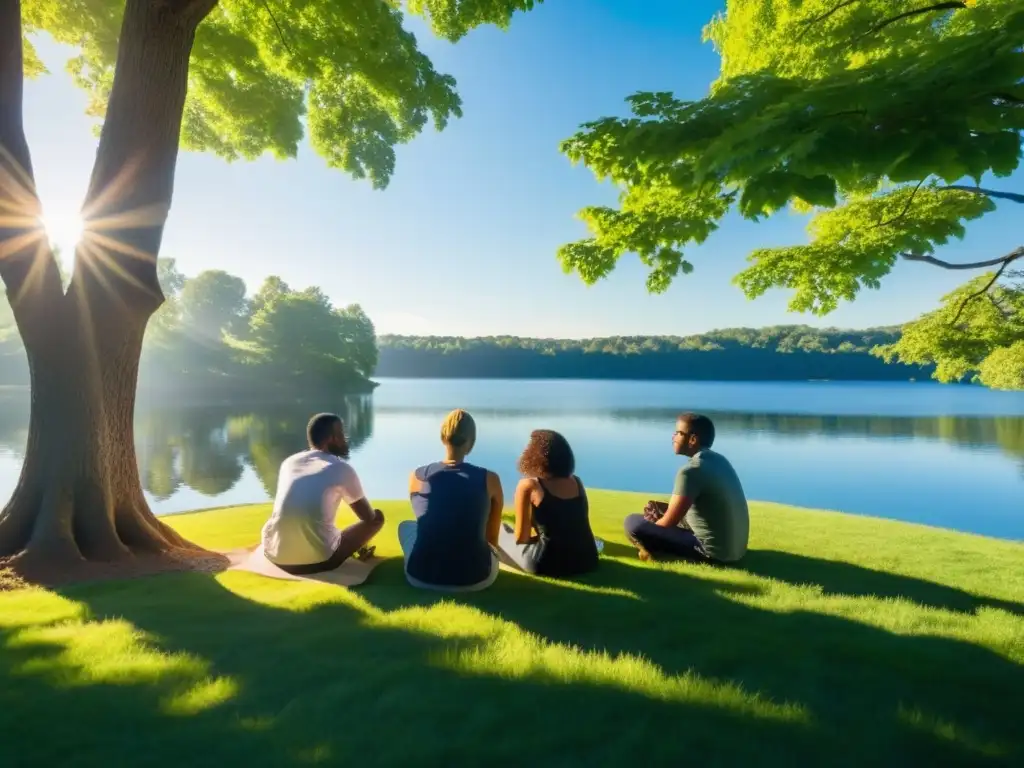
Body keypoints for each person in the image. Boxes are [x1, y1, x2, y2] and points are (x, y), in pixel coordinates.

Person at [260, 412, 384, 575]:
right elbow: (367, 517)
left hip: (275, 555)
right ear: (332, 438)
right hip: (319, 561)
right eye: (341, 434)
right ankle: (354, 548)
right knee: (377, 518)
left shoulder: (289, 462)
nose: (345, 439)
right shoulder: (341, 468)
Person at [399, 409, 504, 591]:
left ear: (442, 437)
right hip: (477, 579)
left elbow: (427, 520)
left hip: (420, 576)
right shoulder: (490, 479)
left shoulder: (416, 476)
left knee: (406, 526)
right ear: (471, 444)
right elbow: (492, 538)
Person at [624, 412, 749, 564]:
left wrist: (652, 527)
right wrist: (664, 511)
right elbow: (699, 510)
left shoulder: (690, 472)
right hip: (736, 551)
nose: (673, 437)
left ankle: (651, 552)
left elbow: (666, 524)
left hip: (712, 554)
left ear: (692, 439)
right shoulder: (719, 461)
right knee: (656, 513)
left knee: (633, 523)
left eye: (678, 433)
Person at [497, 429, 599, 578]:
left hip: (546, 562)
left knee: (498, 532)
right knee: (507, 530)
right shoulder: (577, 481)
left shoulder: (529, 485)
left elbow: (521, 538)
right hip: (587, 559)